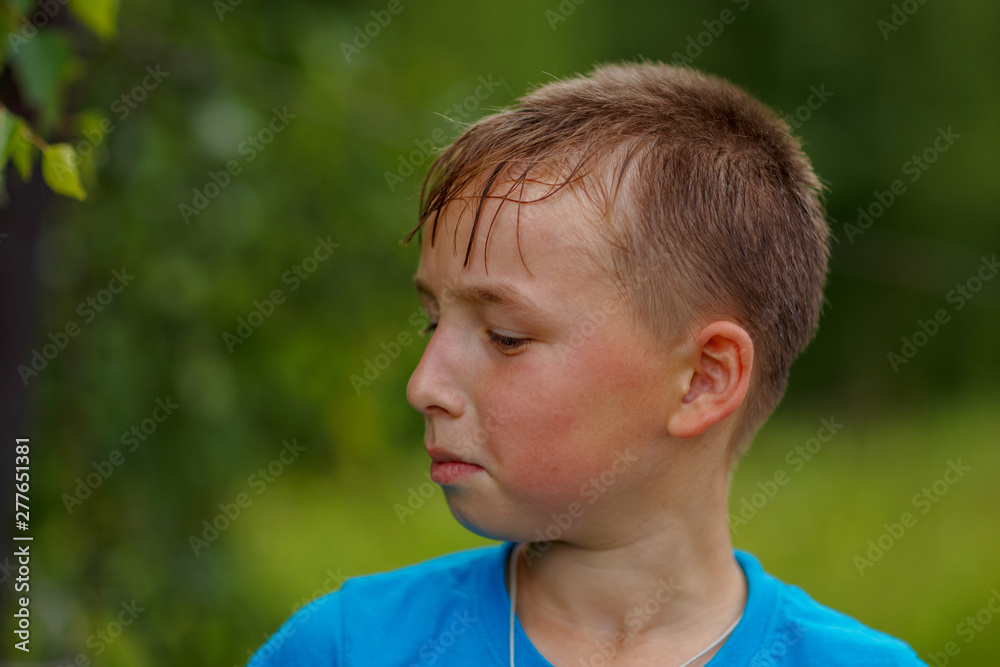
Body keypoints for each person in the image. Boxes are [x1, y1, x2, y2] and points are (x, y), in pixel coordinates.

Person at [249, 61, 925, 666]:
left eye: (506, 336)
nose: (424, 384)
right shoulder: (345, 647)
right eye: (433, 321)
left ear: (704, 379)